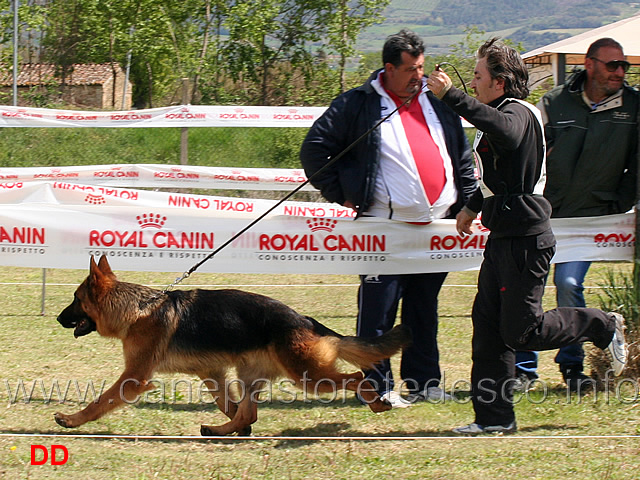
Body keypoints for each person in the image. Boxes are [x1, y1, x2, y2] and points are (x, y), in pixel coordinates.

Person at [427, 37, 627, 434]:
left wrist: (451, 95)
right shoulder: (501, 111)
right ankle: (495, 420)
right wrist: (472, 205)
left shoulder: (518, 112)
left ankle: (602, 325)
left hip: (526, 240)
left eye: (479, 75)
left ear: (499, 82)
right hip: (503, 236)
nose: (474, 81)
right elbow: (499, 175)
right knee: (487, 328)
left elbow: (508, 135)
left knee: (522, 331)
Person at [299, 29, 477, 407]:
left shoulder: (437, 101)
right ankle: (377, 387)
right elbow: (315, 150)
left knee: (424, 309)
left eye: (422, 68)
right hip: (383, 229)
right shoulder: (357, 103)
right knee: (378, 313)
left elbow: (460, 154)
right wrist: (346, 194)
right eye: (411, 69)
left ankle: (425, 383)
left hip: (436, 227)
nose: (419, 76)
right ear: (389, 68)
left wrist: (466, 201)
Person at [515, 37, 639, 393]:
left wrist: (621, 202)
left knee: (568, 285)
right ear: (589, 64)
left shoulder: (633, 106)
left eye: (624, 66)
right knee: (528, 292)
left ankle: (572, 368)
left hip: (593, 218)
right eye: (612, 65)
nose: (620, 72)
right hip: (547, 214)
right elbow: (533, 153)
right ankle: (524, 369)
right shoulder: (555, 103)